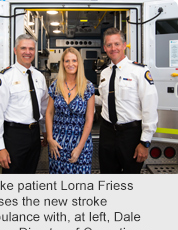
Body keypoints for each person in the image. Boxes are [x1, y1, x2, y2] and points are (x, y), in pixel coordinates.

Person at [98, 27, 158, 174]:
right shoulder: (105, 72)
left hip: (130, 135)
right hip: (107, 133)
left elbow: (149, 107)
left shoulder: (139, 71)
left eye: (117, 44)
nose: (113, 48)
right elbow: (105, 100)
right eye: (109, 45)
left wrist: (145, 142)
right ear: (105, 48)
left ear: (124, 45)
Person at [0, 34, 48, 174]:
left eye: (31, 49)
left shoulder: (39, 76)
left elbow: (44, 107)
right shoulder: (4, 77)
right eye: (23, 48)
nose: (27, 52)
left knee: (30, 173)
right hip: (13, 136)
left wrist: (45, 130)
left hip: (34, 135)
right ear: (15, 50)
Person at [45, 47, 95, 174]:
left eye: (74, 60)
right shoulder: (55, 86)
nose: (70, 64)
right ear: (62, 64)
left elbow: (89, 120)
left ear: (79, 63)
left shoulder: (88, 87)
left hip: (81, 144)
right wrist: (50, 139)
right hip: (57, 145)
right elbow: (49, 113)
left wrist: (79, 148)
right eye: (67, 61)